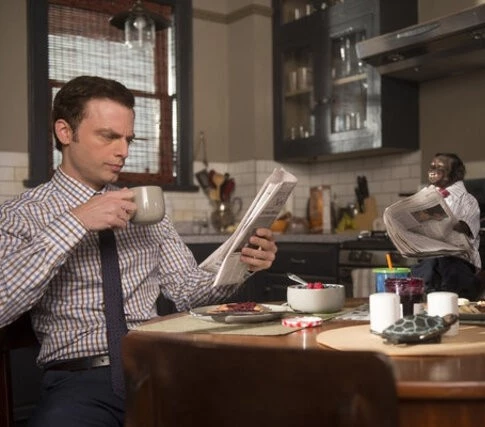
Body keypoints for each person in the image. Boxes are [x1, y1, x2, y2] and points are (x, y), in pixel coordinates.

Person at [0, 76, 278, 427]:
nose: (124, 152)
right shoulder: (22, 214)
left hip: (158, 366)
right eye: (108, 136)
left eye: (128, 139)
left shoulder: (146, 207)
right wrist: (76, 222)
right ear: (65, 132)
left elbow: (188, 292)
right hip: (81, 381)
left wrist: (241, 263)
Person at [411, 152, 481, 300]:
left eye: (440, 168)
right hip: (429, 262)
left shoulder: (468, 201)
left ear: (456, 173)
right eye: (432, 166)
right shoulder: (425, 197)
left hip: (457, 264)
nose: (433, 170)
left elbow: (463, 228)